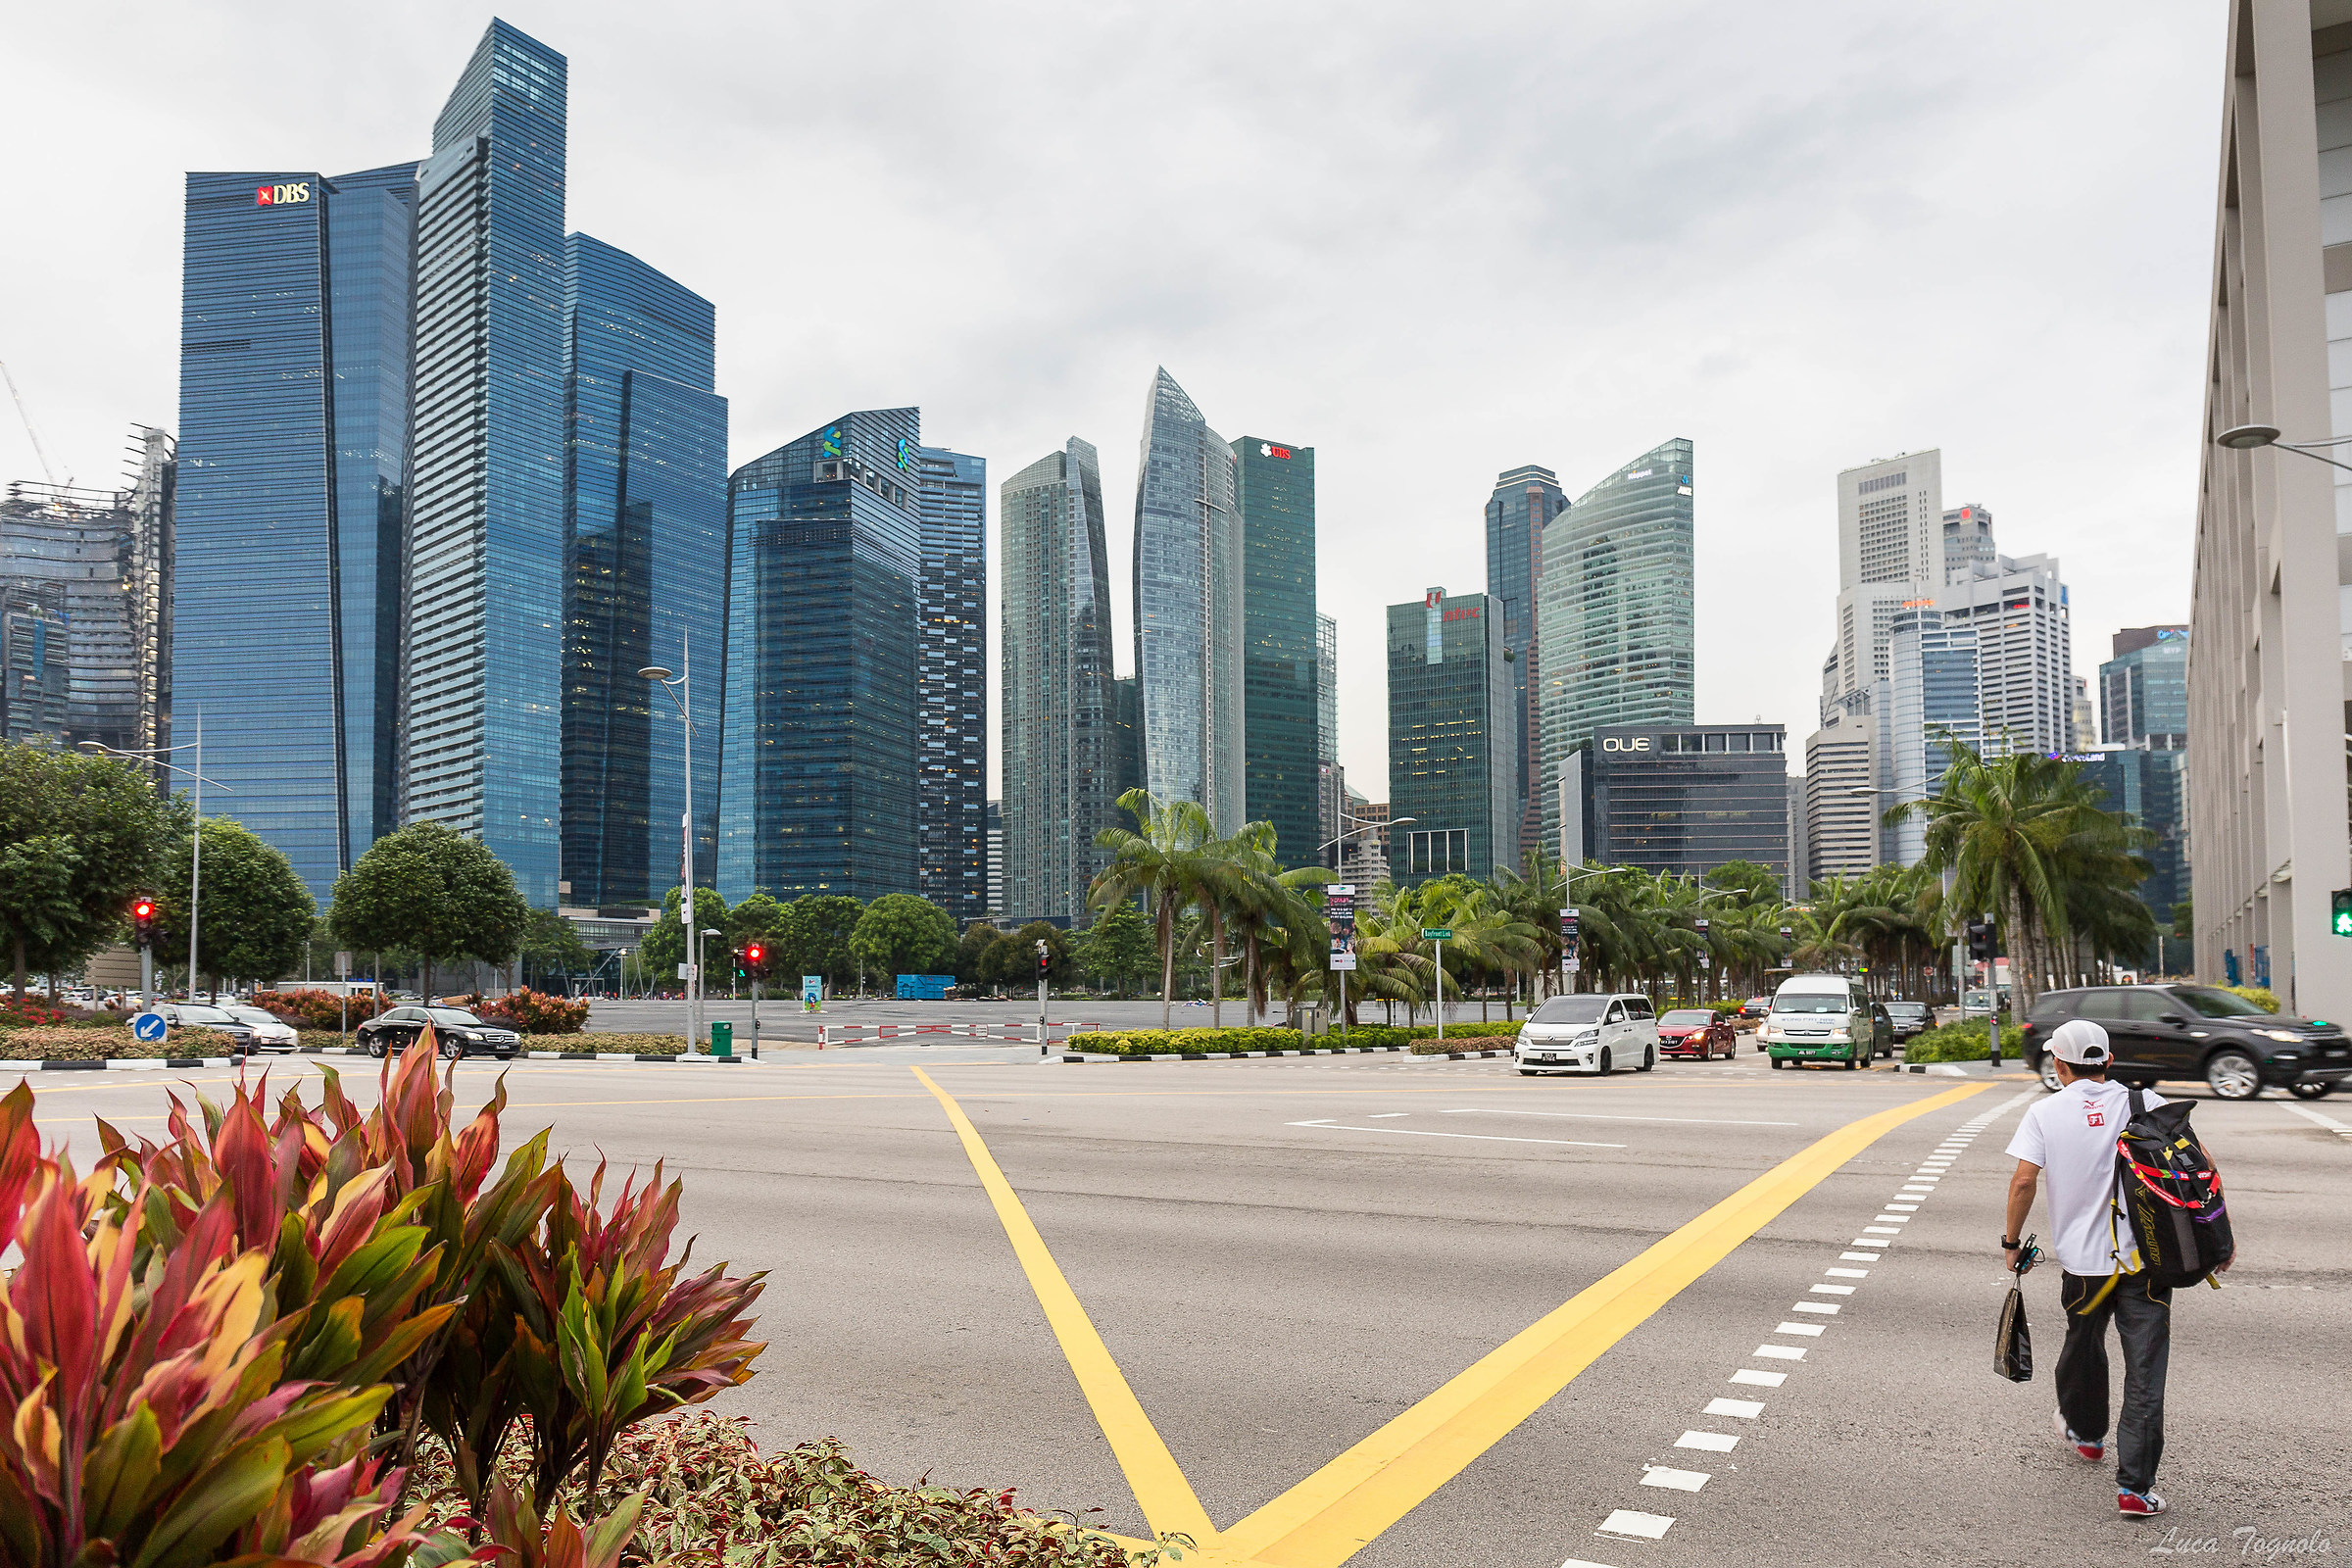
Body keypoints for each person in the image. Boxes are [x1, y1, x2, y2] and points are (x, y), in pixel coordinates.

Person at [2002, 1017, 2228, 1518]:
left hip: (2085, 1266)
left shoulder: (2043, 1113)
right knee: (2145, 1370)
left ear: (2059, 1064)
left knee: (2082, 1346)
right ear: (2106, 1061)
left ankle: (2086, 1434)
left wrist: (2012, 1242)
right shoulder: (2144, 1103)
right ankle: (2135, 1489)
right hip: (2148, 1263)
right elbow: (2202, 1167)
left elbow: (2023, 1183)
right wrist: (2218, 1236)